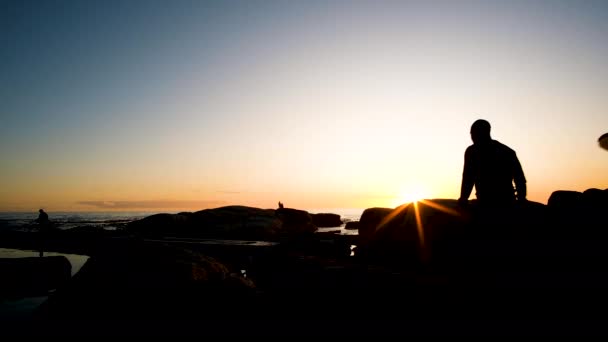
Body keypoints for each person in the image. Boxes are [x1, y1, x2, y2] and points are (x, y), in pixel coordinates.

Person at [458, 119, 527, 207]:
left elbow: (468, 178)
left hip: (486, 202)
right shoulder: (507, 151)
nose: (472, 136)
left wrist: (463, 198)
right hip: (507, 201)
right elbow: (520, 179)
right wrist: (521, 198)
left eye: (473, 133)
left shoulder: (472, 151)